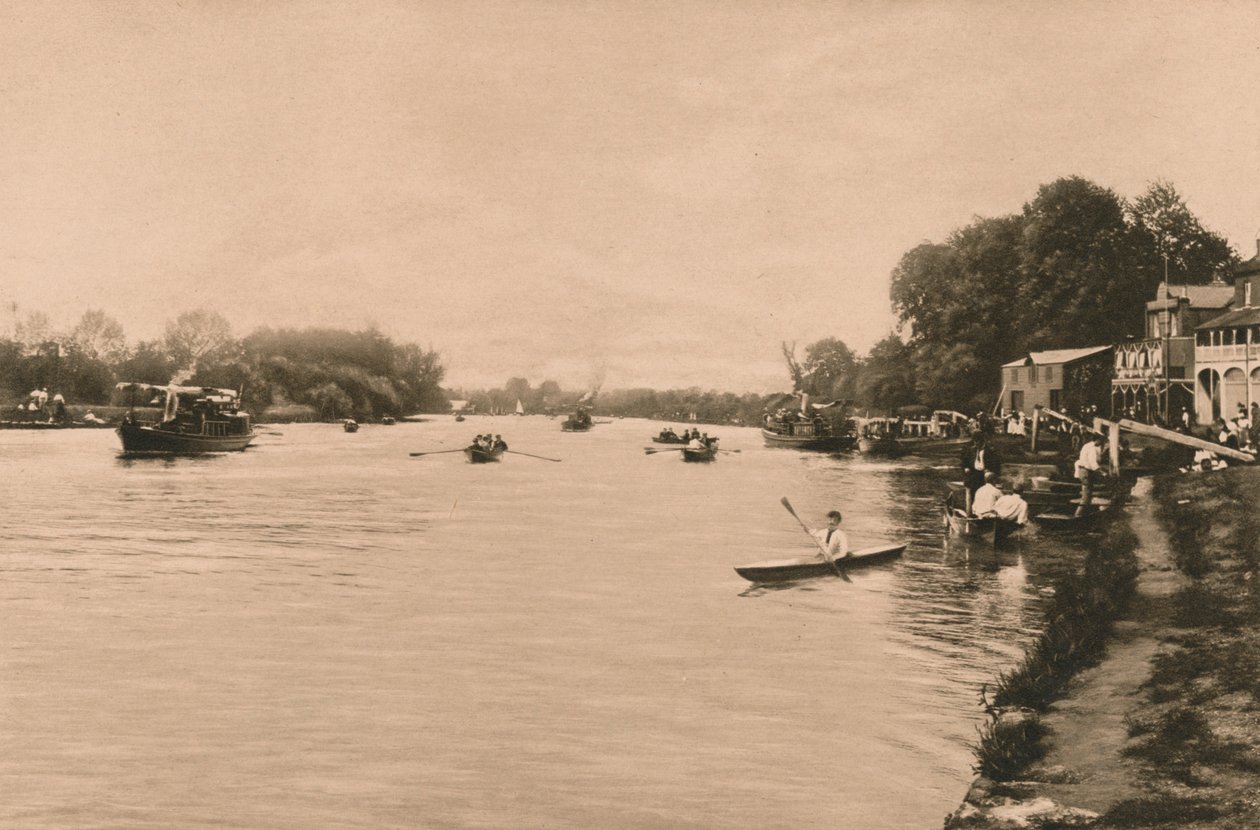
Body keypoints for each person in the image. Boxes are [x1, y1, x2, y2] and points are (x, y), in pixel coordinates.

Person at [960, 432, 1001, 504]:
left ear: (982, 441)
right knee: (972, 491)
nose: (975, 444)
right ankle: (973, 510)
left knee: (986, 494)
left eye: (977, 442)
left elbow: (997, 465)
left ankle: (984, 509)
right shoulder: (971, 450)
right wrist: (966, 468)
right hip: (974, 473)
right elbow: (964, 462)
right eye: (974, 441)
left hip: (985, 475)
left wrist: (991, 471)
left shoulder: (990, 451)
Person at [1074, 433, 1106, 516]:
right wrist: (1102, 472)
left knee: (1087, 493)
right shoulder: (1092, 448)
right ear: (1097, 440)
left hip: (1084, 470)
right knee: (1086, 495)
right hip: (1085, 471)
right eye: (1101, 441)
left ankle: (1085, 512)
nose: (1102, 443)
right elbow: (1093, 462)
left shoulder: (1087, 445)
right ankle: (1078, 515)